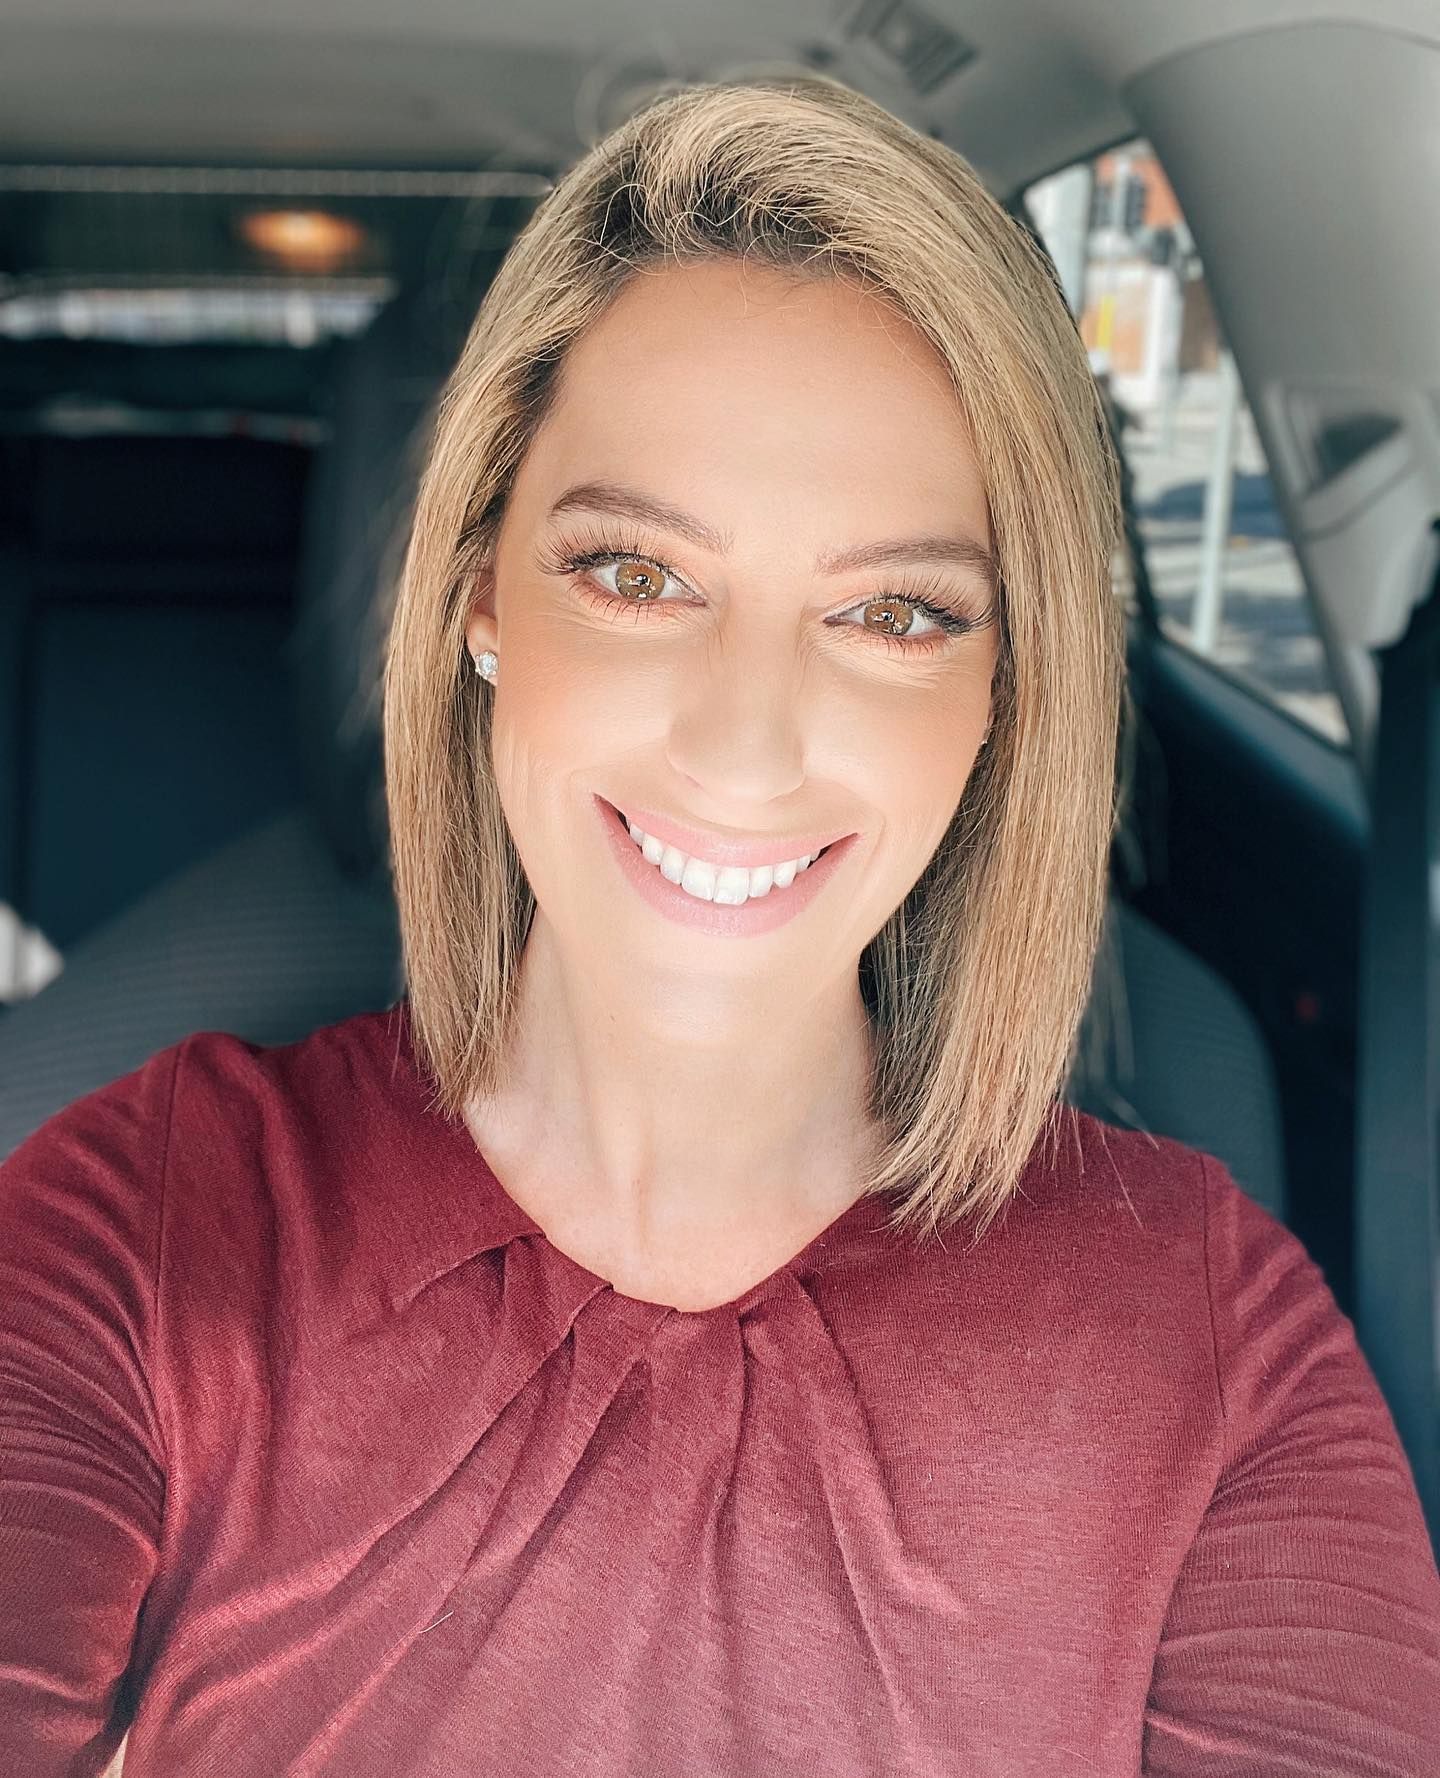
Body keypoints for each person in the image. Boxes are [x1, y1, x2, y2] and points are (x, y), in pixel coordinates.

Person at [3, 73, 1438, 1778]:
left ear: (1005, 693)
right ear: (476, 591)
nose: (744, 747)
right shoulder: (153, 1223)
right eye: (639, 575)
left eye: (895, 612)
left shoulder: (1210, 1339)